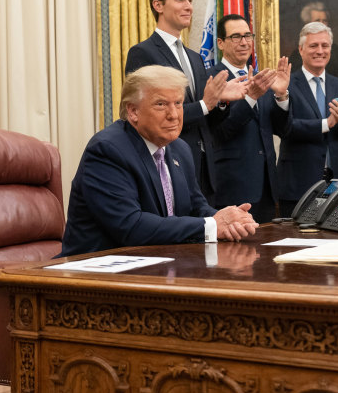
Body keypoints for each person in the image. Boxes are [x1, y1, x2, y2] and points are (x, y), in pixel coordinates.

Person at [61, 65, 257, 257]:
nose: (174, 115)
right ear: (133, 112)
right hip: (98, 268)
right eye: (161, 104)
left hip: (161, 262)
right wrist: (213, 225)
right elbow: (130, 226)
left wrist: (230, 220)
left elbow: (196, 207)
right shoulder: (108, 150)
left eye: (178, 103)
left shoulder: (180, 149)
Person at [124, 0, 246, 200]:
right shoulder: (142, 53)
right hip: (166, 165)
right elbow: (149, 116)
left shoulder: (195, 58)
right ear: (158, 5)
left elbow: (207, 121)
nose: (189, 6)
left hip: (204, 171)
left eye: (190, 0)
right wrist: (205, 104)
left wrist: (220, 101)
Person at [207, 14, 290, 223]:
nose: (244, 42)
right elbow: (219, 132)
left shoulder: (261, 78)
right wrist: (251, 98)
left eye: (247, 36)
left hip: (267, 187)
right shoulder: (212, 78)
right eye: (236, 37)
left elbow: (282, 130)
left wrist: (281, 95)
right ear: (220, 43)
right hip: (232, 186)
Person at [277, 21, 338, 216]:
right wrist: (327, 123)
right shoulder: (286, 85)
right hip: (298, 184)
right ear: (301, 49)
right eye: (313, 45)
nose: (320, 51)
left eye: (325, 45)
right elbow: (285, 127)